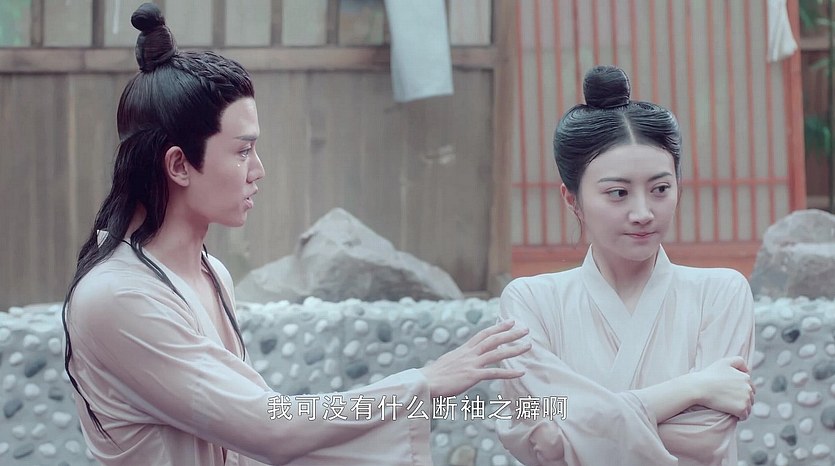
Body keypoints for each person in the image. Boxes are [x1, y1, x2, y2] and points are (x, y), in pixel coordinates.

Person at [61, 4, 530, 465]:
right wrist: (422, 382)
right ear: (179, 164)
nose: (258, 170)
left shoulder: (211, 273)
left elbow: (254, 432)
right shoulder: (117, 297)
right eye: (242, 152)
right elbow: (267, 427)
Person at [495, 65, 755, 466]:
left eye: (660, 189)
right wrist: (694, 388)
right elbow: (541, 441)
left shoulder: (720, 293)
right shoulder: (531, 302)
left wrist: (581, 429)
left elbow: (705, 438)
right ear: (572, 200)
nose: (643, 213)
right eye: (618, 193)